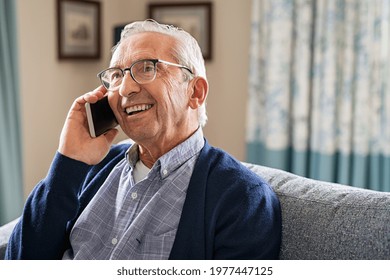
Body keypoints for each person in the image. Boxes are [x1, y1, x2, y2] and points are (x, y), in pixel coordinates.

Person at [5, 20, 281, 260]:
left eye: (146, 68)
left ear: (195, 91)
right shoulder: (92, 167)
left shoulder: (244, 199)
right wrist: (69, 161)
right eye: (116, 75)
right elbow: (19, 261)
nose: (125, 88)